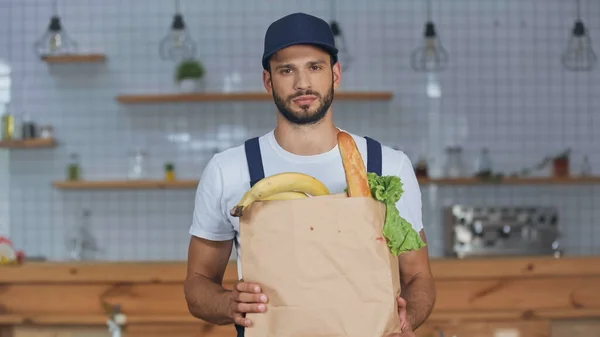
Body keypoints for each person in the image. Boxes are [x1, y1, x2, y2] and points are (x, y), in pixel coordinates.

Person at [184, 12, 436, 337]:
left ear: (335, 74)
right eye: (286, 70)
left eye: (314, 67)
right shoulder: (229, 171)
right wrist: (228, 303)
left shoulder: (387, 166)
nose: (302, 83)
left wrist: (407, 319)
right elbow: (197, 284)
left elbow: (419, 278)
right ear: (267, 81)